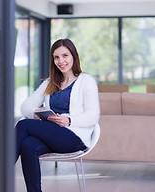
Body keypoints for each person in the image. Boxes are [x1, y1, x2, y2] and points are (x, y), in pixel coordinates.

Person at [16, 38, 100, 192]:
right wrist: (38, 114)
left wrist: (68, 120)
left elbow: (93, 116)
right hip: (52, 134)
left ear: (73, 56)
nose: (61, 61)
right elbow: (25, 106)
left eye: (65, 55)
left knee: (22, 125)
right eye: (56, 57)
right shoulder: (50, 82)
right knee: (27, 145)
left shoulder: (86, 81)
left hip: (74, 137)